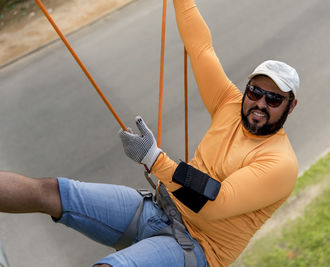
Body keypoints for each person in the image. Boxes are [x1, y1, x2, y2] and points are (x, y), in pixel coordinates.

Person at [0, 0, 299, 266]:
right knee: (49, 192)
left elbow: (216, 203)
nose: (259, 103)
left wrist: (155, 158)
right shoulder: (229, 103)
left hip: (198, 248)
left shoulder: (280, 163)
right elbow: (200, 47)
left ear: (290, 106)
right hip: (158, 208)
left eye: (273, 99)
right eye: (255, 91)